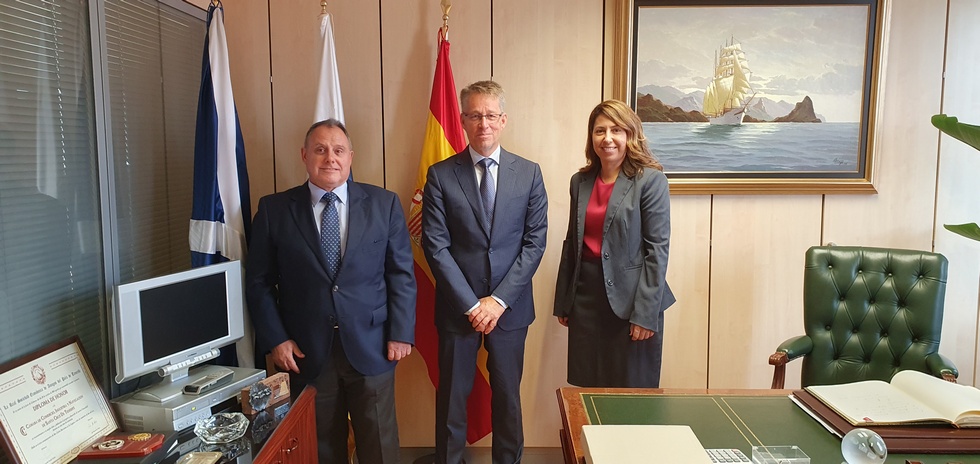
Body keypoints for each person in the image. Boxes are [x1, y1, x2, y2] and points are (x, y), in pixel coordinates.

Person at [245, 119, 416, 464]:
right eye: (320, 150)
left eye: (338, 150)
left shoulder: (383, 204)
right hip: (305, 351)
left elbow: (401, 275)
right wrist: (276, 339)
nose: (330, 158)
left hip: (373, 345)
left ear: (351, 156)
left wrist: (401, 333)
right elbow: (259, 281)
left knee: (380, 446)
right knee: (319, 448)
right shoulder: (274, 210)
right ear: (304, 155)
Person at [422, 80, 548, 464]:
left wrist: (497, 301)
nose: (484, 124)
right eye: (475, 116)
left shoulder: (529, 173)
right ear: (462, 120)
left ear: (503, 120)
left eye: (491, 115)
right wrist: (472, 305)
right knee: (452, 399)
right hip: (458, 309)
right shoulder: (440, 175)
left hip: (510, 309)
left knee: (508, 397)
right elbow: (435, 246)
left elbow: (534, 244)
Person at [553, 99, 675, 388]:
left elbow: (657, 251)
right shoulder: (579, 181)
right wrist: (564, 302)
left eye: (616, 130)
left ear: (630, 135)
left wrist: (645, 314)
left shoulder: (651, 181)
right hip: (585, 300)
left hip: (632, 302)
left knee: (630, 393)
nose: (607, 138)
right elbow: (572, 242)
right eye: (600, 131)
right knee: (590, 390)